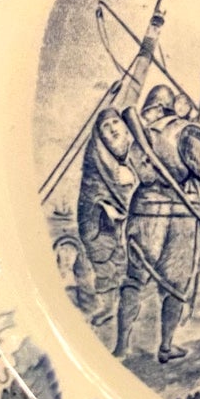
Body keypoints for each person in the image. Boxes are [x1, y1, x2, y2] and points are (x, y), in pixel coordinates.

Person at [114, 84, 200, 364]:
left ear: (152, 109)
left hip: (144, 210)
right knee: (176, 285)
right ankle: (165, 345)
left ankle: (121, 346)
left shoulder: (138, 137)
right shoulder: (187, 132)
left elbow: (141, 174)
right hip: (181, 217)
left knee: (134, 279)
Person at [75, 108, 135, 301]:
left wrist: (133, 176)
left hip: (133, 216)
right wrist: (104, 205)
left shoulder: (136, 148)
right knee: (108, 263)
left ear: (125, 126)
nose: (113, 129)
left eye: (116, 122)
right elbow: (91, 191)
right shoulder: (96, 159)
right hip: (100, 219)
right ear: (101, 136)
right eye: (106, 126)